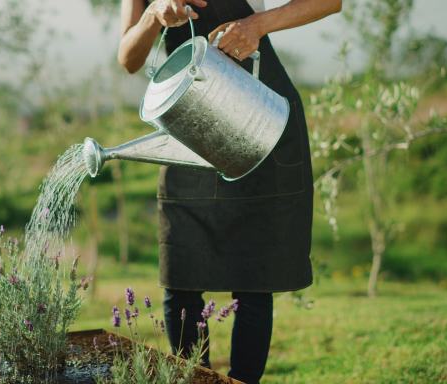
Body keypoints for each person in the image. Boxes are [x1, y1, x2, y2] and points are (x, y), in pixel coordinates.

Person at [117, 0, 341, 383]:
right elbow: (128, 57)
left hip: (256, 114)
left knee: (253, 282)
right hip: (186, 120)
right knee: (181, 279)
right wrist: (153, 15)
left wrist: (258, 25)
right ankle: (195, 379)